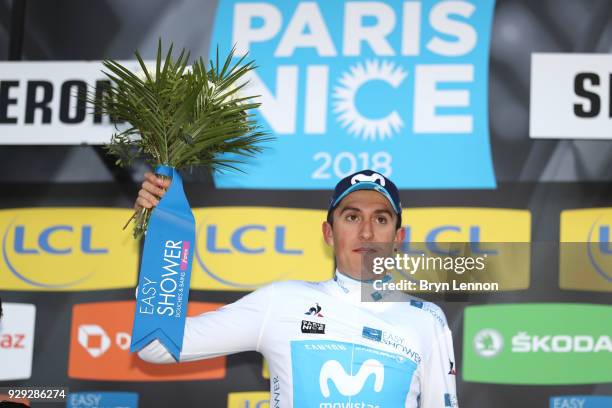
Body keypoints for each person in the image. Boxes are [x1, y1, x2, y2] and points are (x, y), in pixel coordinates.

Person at [135, 169, 458, 408]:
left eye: (382, 220)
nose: (367, 233)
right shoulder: (283, 302)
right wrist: (162, 240)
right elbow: (156, 347)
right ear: (328, 233)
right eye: (351, 217)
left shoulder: (428, 320)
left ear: (398, 239)